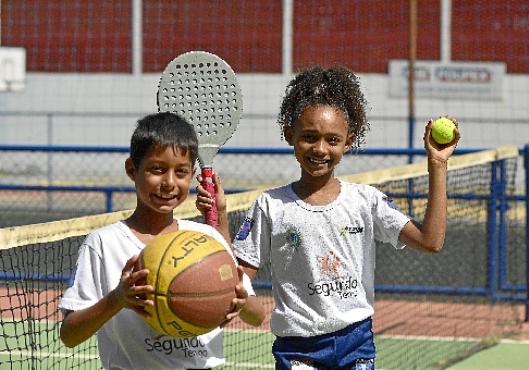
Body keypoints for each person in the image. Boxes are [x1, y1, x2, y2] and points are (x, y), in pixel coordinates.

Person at [203, 66, 460, 370]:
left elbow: (431, 241)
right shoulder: (269, 205)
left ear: (348, 142)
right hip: (298, 348)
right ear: (290, 135)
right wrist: (219, 219)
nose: (320, 149)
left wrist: (437, 164)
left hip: (356, 343)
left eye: (332, 140)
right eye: (309, 137)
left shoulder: (366, 201)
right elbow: (238, 278)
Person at [59, 112, 265, 370]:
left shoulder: (208, 241)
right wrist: (119, 298)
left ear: (192, 175)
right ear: (132, 170)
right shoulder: (103, 243)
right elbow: (69, 335)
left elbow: (258, 316)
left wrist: (239, 301)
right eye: (157, 169)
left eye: (181, 172)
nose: (169, 183)